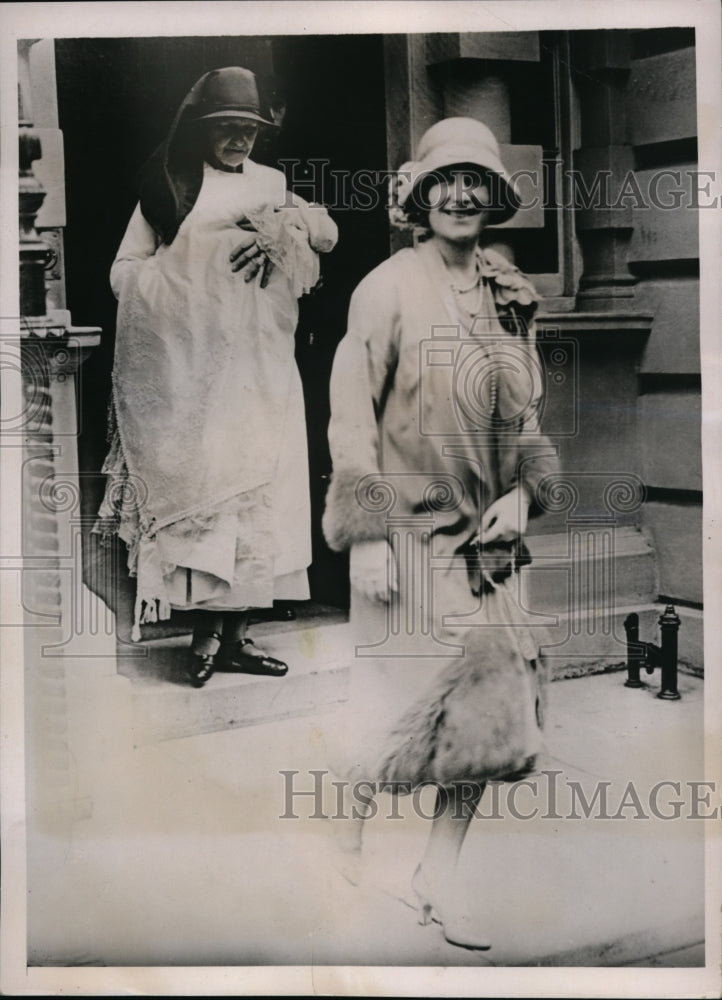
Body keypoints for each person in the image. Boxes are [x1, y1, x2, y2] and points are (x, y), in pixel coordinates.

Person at [322, 117, 560, 949]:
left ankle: (438, 879)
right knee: (397, 714)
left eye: (476, 182)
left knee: (492, 722)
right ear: (419, 196)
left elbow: (526, 415)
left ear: (494, 198)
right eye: (444, 181)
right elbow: (352, 417)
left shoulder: (509, 294)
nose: (461, 195)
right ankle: (346, 822)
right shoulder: (384, 287)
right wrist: (370, 534)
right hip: (412, 540)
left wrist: (527, 497)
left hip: (489, 545)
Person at [95, 67, 337, 687]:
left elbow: (327, 234)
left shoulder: (274, 183)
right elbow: (125, 272)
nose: (239, 141)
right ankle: (205, 638)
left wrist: (291, 231)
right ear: (203, 131)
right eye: (227, 129)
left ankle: (239, 638)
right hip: (198, 376)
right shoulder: (170, 186)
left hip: (263, 371)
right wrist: (188, 278)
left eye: (249, 130)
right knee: (214, 495)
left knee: (264, 497)